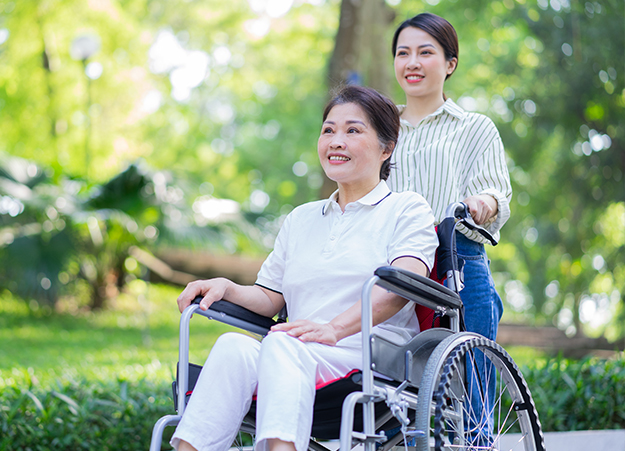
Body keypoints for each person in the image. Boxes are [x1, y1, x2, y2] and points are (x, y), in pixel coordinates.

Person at [170, 85, 438, 451]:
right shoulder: (302, 219)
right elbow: (269, 297)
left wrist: (333, 328)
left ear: (387, 147)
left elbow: (400, 288)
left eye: (353, 130)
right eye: (328, 130)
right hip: (296, 352)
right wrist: (228, 288)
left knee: (282, 342)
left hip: (368, 355)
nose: (336, 141)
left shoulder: (407, 209)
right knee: (233, 346)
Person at [387, 12, 513, 443]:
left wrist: (482, 203)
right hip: (391, 270)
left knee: (473, 400)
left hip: (456, 261)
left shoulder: (473, 128)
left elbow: (497, 193)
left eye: (426, 52)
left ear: (450, 63)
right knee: (396, 397)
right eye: (403, 53)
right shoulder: (381, 130)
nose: (413, 62)